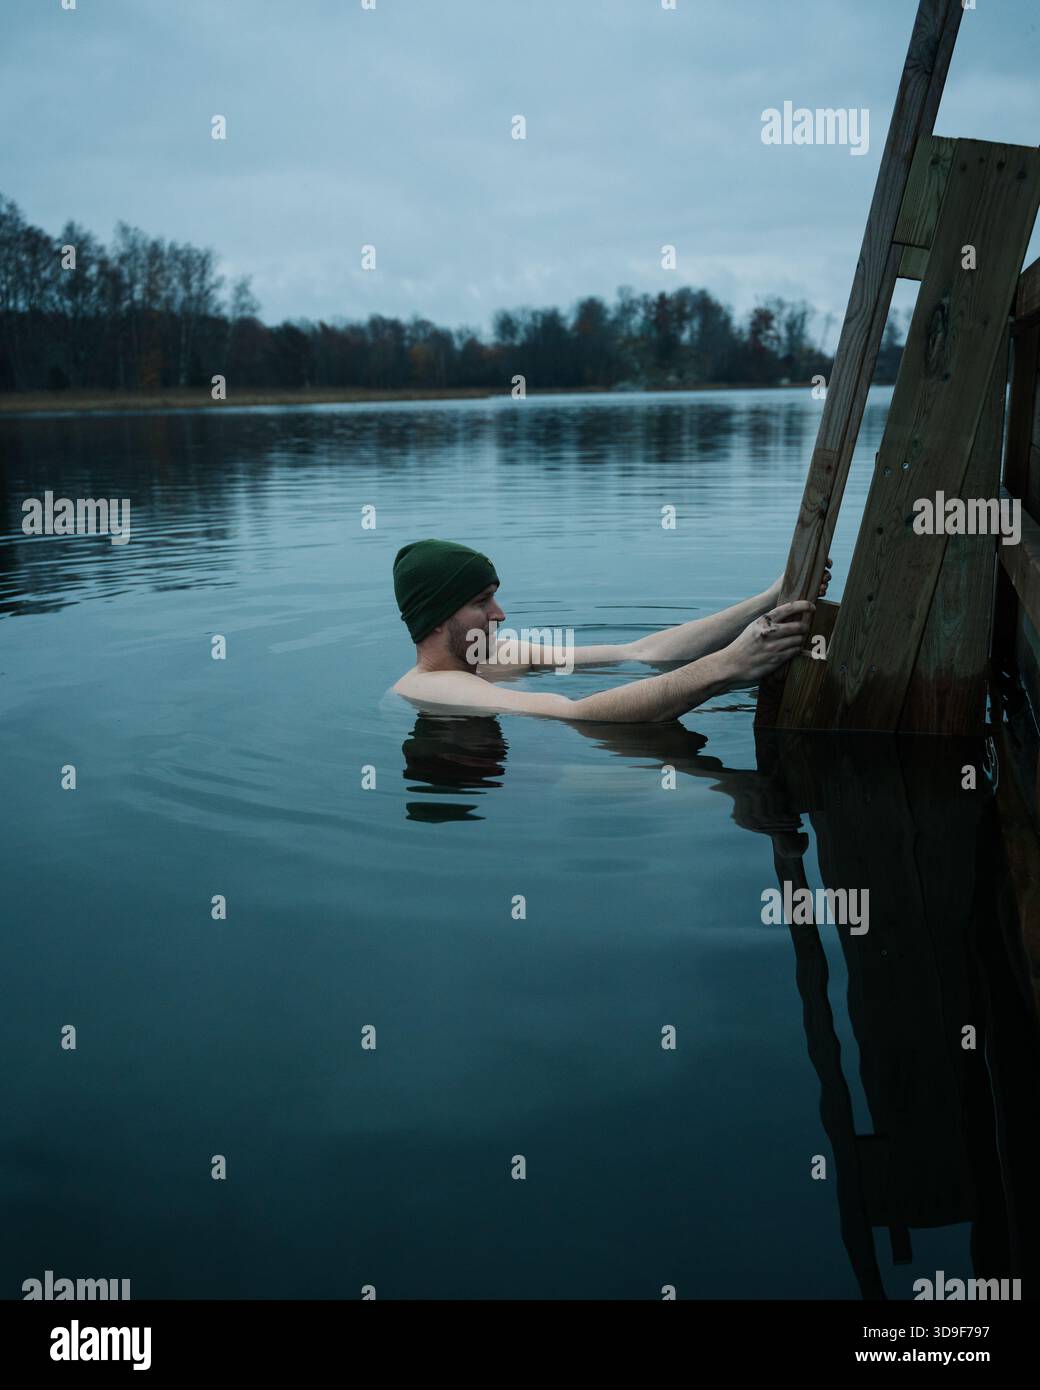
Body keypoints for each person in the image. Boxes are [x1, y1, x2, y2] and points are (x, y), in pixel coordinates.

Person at [391, 538, 827, 723]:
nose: (500, 614)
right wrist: (729, 667)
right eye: (481, 602)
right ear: (438, 616)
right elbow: (576, 714)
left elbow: (635, 652)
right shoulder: (439, 689)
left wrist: (769, 599)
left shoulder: (489, 657)